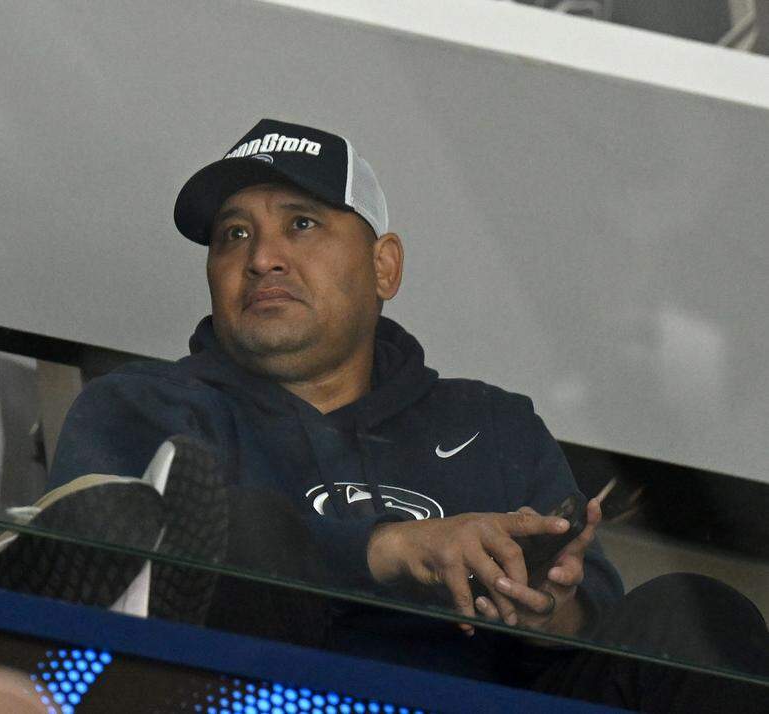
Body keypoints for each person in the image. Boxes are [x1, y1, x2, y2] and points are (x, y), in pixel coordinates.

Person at [46, 119, 769, 709]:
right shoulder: (143, 404)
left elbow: (600, 626)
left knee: (695, 616)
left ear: (384, 266)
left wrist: (550, 611)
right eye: (232, 235)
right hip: (256, 700)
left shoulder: (493, 423)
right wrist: (393, 550)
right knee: (244, 534)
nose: (262, 256)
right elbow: (97, 567)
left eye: (300, 224)